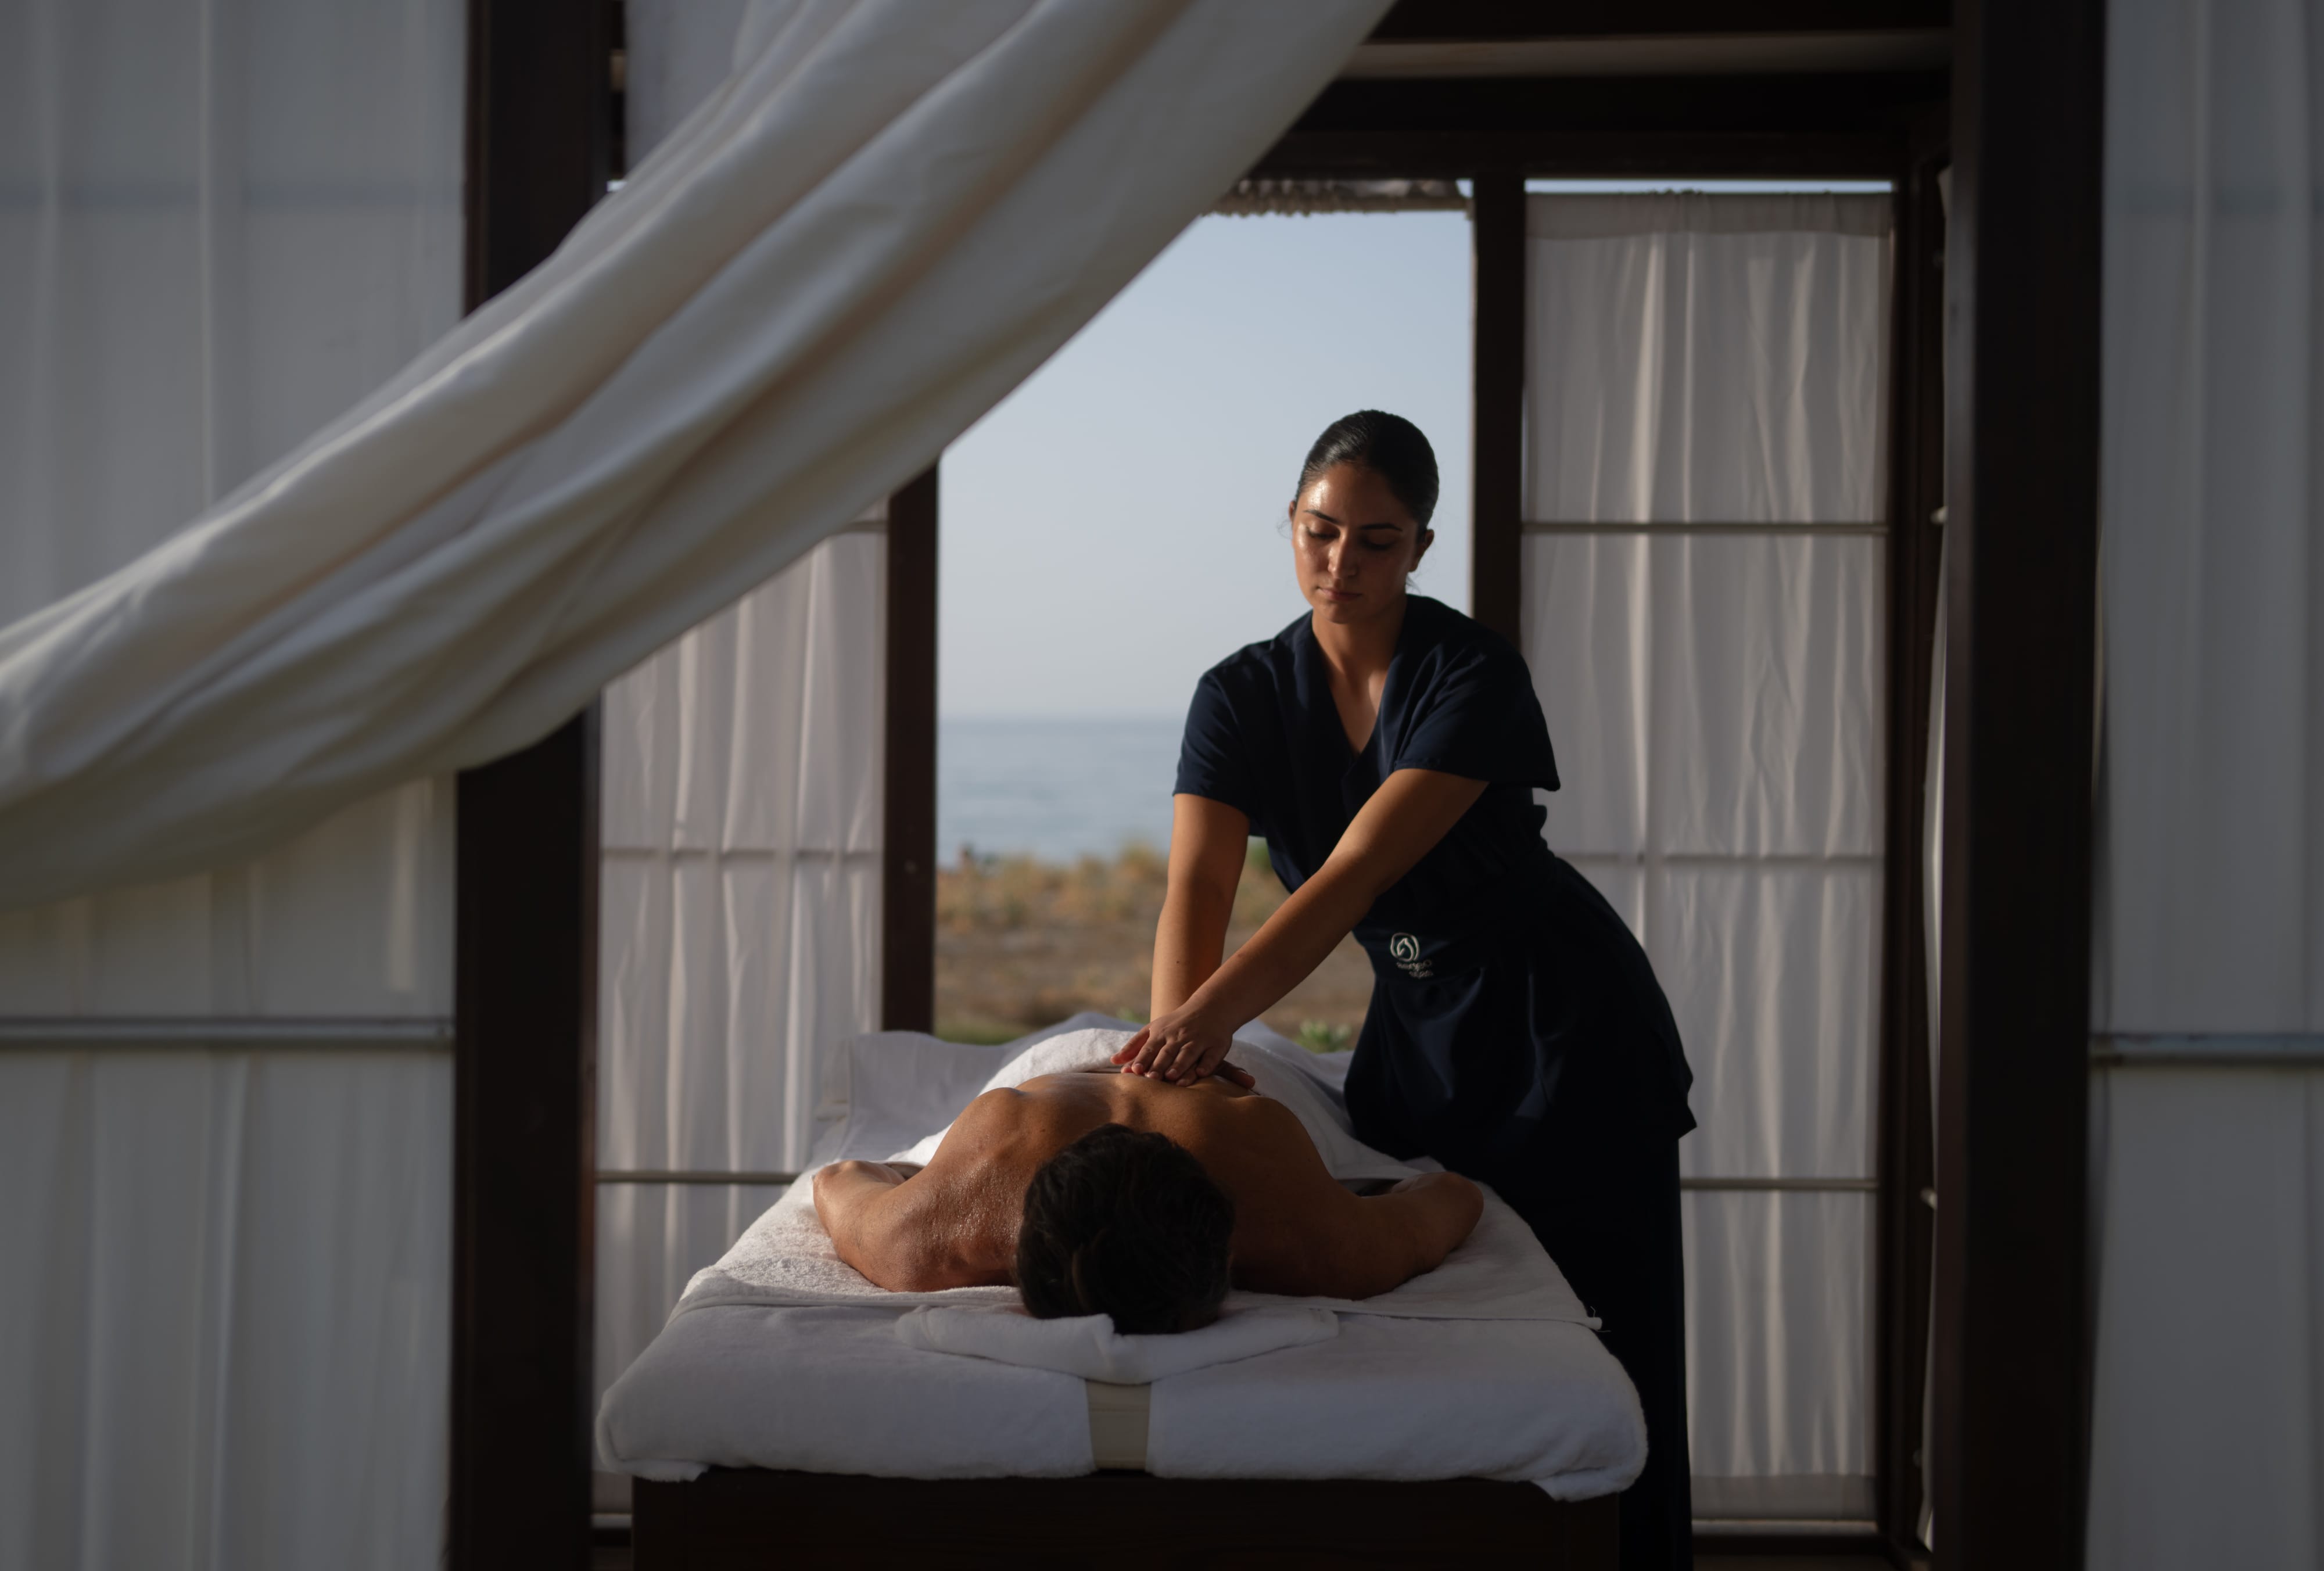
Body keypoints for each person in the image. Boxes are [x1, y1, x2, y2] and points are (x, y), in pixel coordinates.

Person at [1114, 410, 1696, 1569]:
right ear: (1286, 525)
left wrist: (1208, 1020)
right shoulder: (1235, 695)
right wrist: (1176, 1082)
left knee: (1614, 1349)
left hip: (1558, 1022)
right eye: (1318, 532)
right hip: (1416, 1034)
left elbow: (1349, 879)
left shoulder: (1469, 672)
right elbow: (1196, 884)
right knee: (1432, 1337)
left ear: (1421, 545)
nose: (1340, 565)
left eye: (1374, 541)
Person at [812, 1064, 1483, 1332]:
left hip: (1074, 1076)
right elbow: (1447, 1193)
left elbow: (839, 1176)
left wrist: (923, 1181)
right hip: (1222, 1078)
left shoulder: (926, 1236)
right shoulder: (1316, 1241)